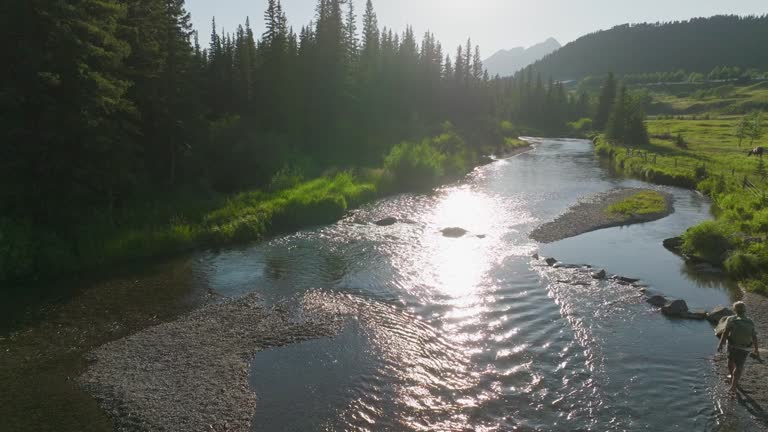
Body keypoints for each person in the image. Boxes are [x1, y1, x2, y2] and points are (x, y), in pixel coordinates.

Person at [717, 301, 760, 392]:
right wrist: (756, 349)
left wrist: (720, 344)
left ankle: (732, 376)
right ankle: (733, 386)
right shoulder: (750, 321)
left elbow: (725, 333)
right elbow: (754, 337)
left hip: (732, 346)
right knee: (739, 366)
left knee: (730, 361)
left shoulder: (731, 319)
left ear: (734, 310)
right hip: (745, 348)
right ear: (744, 310)